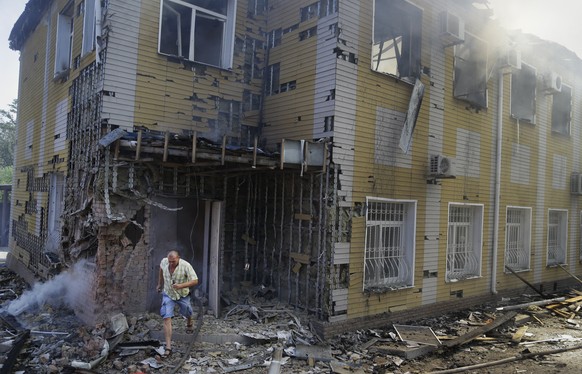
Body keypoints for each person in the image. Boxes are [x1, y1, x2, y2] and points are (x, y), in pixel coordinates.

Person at [157, 250, 199, 357]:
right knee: (166, 317)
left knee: (187, 311)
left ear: (178, 258)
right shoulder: (164, 262)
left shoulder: (186, 266)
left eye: (173, 261)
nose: (171, 263)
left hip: (182, 294)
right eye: (169, 261)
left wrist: (181, 286)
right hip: (168, 294)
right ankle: (168, 347)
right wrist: (159, 284)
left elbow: (195, 280)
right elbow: (161, 269)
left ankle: (189, 321)